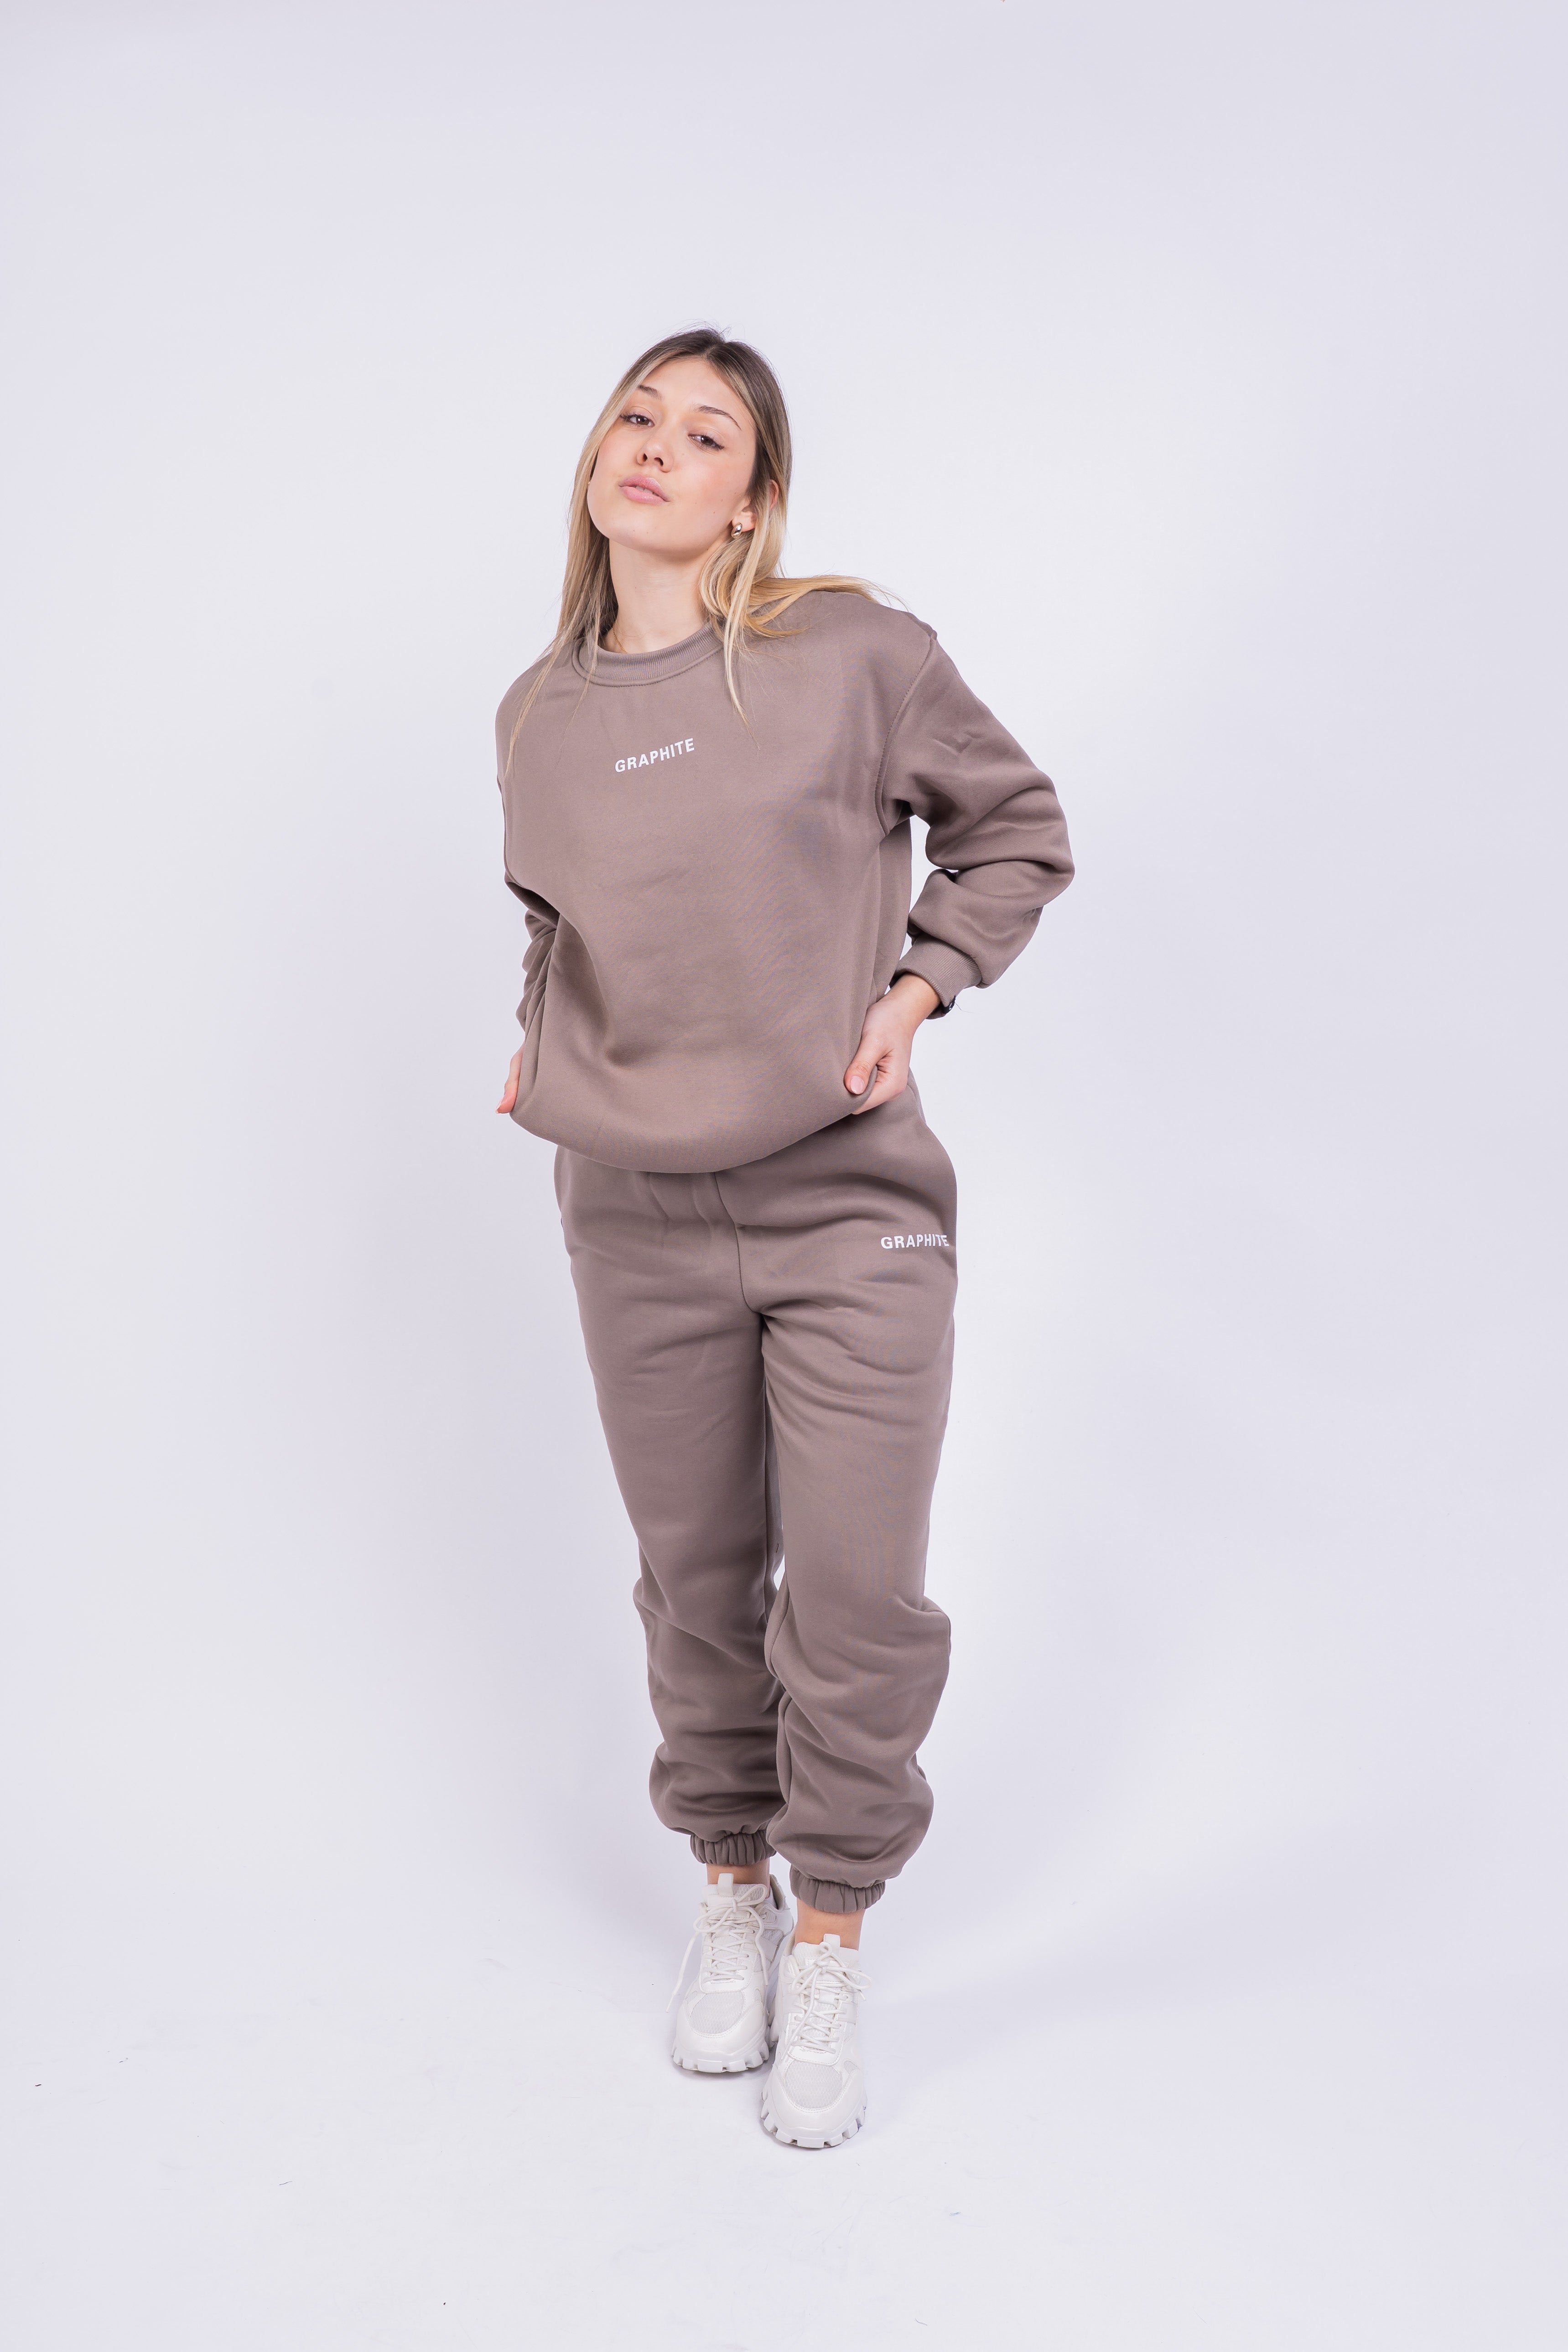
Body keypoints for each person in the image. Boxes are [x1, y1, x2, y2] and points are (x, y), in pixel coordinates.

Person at [494, 328, 1072, 2148]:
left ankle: (832, 1931)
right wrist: (538, 1045)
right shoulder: (536, 714)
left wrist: (920, 985)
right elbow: (561, 927)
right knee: (693, 1580)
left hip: (851, 1209)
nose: (655, 449)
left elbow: (1014, 830)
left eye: (705, 433)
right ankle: (732, 1892)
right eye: (635, 417)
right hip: (631, 1215)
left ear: (754, 499)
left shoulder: (851, 657)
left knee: (858, 1592)